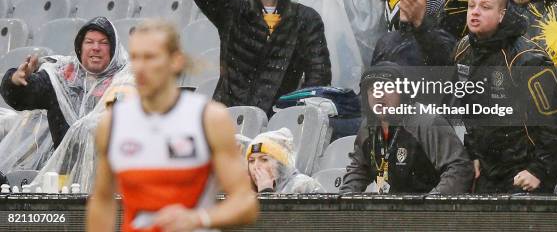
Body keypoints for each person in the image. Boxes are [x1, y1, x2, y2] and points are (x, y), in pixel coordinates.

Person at [87, 20, 259, 232]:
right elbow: (102, 201)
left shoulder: (209, 119)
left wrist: (199, 219)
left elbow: (246, 204)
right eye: (135, 58)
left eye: (150, 57)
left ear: (176, 61)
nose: (140, 67)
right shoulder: (112, 123)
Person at [187, 0, 332, 115]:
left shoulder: (305, 19)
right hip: (226, 117)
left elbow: (318, 74)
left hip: (274, 122)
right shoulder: (234, 9)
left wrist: (293, 113)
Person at [454, 0, 557, 193]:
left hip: (524, 171)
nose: (475, 12)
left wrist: (539, 171)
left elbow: (555, 123)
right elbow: (468, 110)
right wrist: (472, 155)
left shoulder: (528, 59)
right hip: (487, 169)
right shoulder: (463, 51)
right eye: (472, 6)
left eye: (485, 7)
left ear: (502, 15)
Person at [0, 17, 129, 174]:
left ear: (114, 49)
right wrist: (15, 80)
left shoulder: (126, 80)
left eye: (104, 43)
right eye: (89, 42)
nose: (96, 48)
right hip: (64, 179)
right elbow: (21, 98)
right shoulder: (62, 76)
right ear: (80, 48)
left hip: (112, 178)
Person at [340, 62, 474, 194]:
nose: (378, 95)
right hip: (394, 208)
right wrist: (344, 204)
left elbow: (460, 168)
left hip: (430, 208)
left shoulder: (428, 122)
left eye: (387, 88)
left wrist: (431, 205)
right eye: (372, 90)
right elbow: (359, 170)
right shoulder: (368, 126)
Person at [370, 0, 456, 67]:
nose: (403, 0)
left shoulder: (445, 42)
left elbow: (441, 69)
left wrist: (420, 23)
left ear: (432, 1)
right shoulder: (385, 41)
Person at [245, 128, 325, 194]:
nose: (256, 166)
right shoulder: (249, 192)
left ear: (280, 163)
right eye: (251, 161)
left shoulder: (303, 185)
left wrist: (266, 192)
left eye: (264, 159)